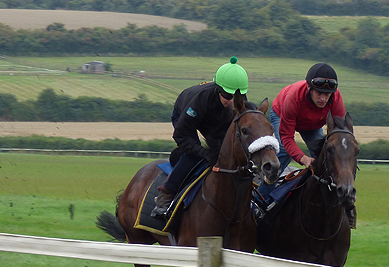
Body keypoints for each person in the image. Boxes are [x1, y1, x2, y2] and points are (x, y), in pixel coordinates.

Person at [256, 62, 356, 227]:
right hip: (282, 114)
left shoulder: (336, 98)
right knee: (281, 156)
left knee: (328, 158)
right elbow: (287, 138)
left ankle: (345, 198)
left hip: (312, 126)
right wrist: (303, 159)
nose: (323, 99)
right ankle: (259, 201)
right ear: (309, 88)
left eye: (327, 94)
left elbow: (339, 138)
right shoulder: (293, 97)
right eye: (318, 93)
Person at [151, 57, 249, 218]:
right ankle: (166, 195)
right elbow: (181, 135)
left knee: (223, 153)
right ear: (218, 89)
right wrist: (203, 153)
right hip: (187, 116)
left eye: (237, 97)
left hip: (215, 119)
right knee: (194, 156)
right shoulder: (200, 100)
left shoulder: (236, 100)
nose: (232, 101)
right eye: (227, 96)